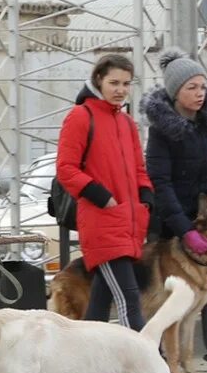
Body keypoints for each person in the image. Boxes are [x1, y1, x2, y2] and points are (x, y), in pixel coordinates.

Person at [142, 48, 207, 373]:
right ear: (175, 92)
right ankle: (160, 361)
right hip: (170, 222)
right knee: (167, 296)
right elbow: (160, 182)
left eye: (203, 86)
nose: (200, 93)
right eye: (192, 88)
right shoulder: (161, 130)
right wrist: (185, 229)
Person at [56, 52, 154, 331]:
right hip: (102, 220)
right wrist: (101, 196)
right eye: (114, 83)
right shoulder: (80, 116)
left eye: (126, 83)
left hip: (128, 219)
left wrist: (146, 197)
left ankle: (86, 366)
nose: (121, 90)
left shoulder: (126, 123)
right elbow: (66, 168)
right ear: (98, 80)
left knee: (101, 300)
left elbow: (138, 168)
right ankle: (144, 364)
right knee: (129, 298)